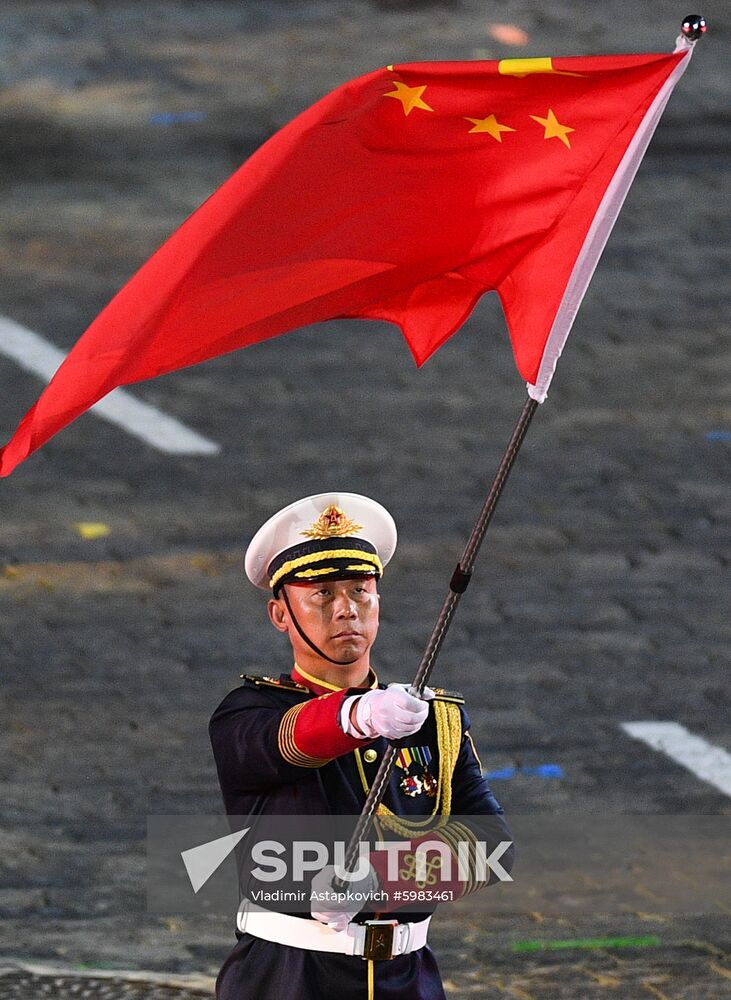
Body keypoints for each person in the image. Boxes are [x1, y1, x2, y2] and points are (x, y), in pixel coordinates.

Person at [210, 492, 513, 1000]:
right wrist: (359, 713)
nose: (346, 609)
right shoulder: (248, 714)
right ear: (280, 614)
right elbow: (290, 740)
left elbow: (491, 846)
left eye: (360, 591)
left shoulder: (434, 719)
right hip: (287, 978)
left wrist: (382, 877)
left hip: (408, 979)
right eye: (322, 594)